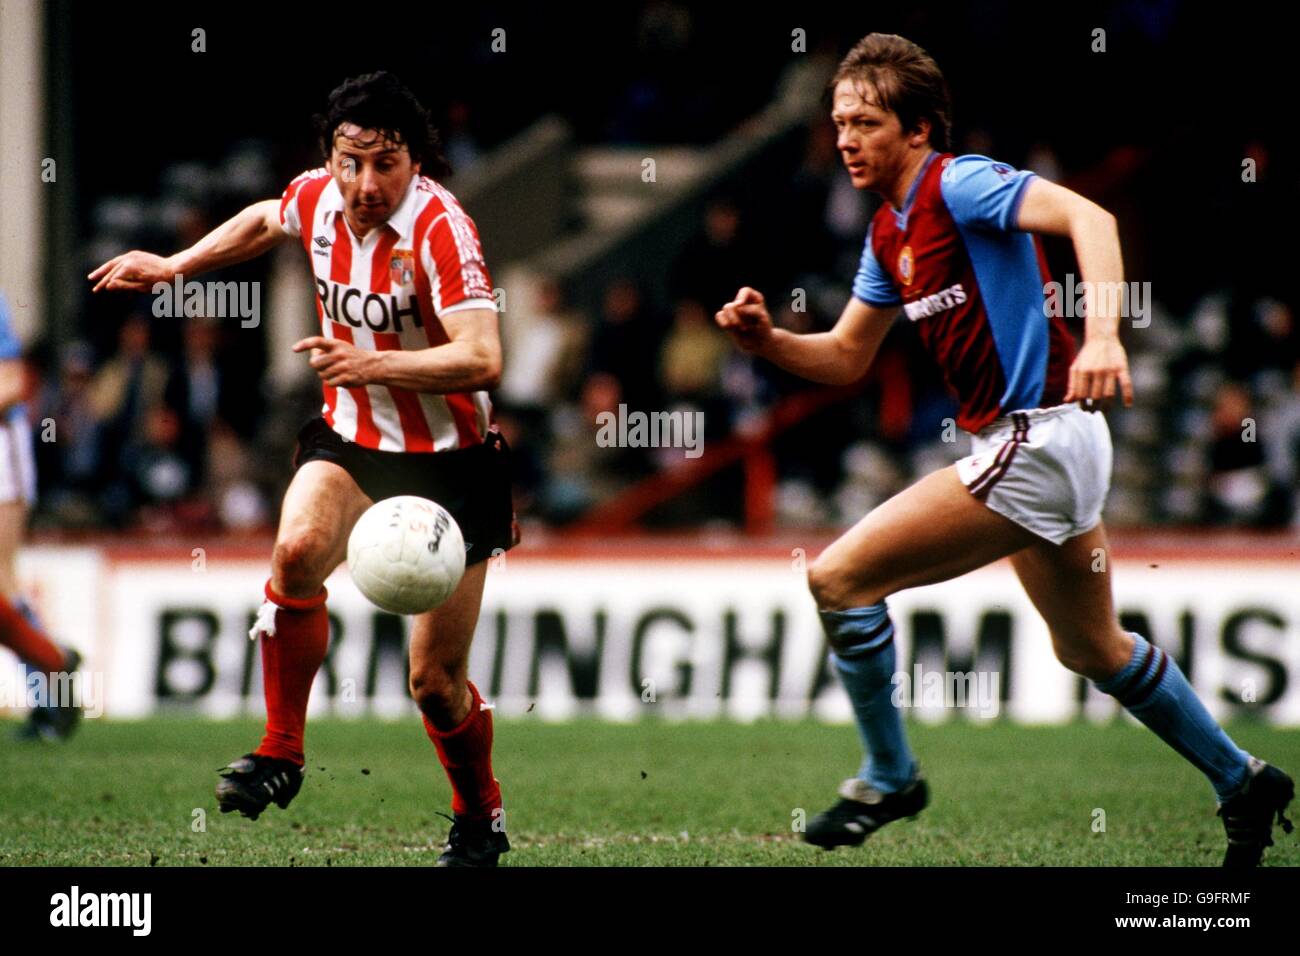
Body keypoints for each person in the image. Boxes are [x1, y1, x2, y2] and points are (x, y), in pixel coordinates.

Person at [714, 33, 1293, 867]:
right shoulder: (889, 234)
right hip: (1044, 443)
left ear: (918, 130)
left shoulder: (963, 182)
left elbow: (1088, 217)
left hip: (1042, 435)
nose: (845, 137)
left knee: (837, 579)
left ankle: (889, 775)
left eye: (866, 121)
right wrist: (769, 341)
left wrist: (1103, 337)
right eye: (839, 120)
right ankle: (1242, 779)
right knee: (1092, 648)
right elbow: (845, 356)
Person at [89, 72, 517, 867]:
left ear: (415, 161)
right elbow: (262, 218)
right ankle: (280, 751)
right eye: (349, 162)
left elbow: (486, 357)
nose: (364, 185)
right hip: (353, 440)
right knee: (292, 554)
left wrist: (371, 362)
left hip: (453, 465)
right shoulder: (318, 197)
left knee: (435, 684)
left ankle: (479, 815)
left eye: (385, 164)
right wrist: (177, 265)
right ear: (330, 157)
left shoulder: (441, 231)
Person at [0, 291, 82, 740]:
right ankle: (54, 672)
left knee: (3, 580)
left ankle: (52, 686)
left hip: (2, 454)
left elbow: (13, 383)